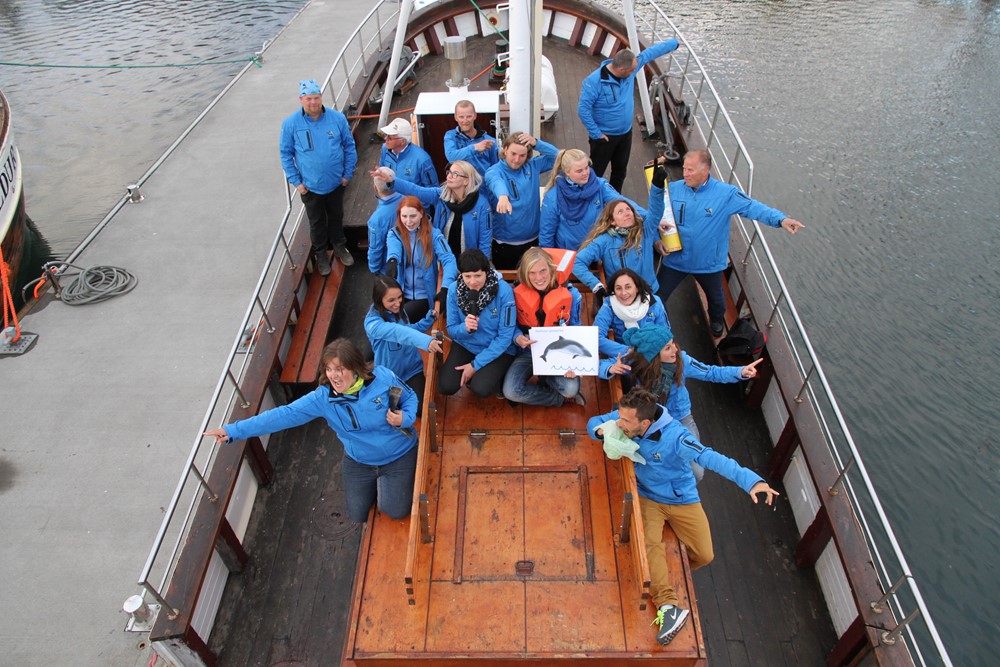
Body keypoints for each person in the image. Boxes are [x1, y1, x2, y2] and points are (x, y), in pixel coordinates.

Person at [587, 387, 779, 646]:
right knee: (649, 545)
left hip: (681, 498)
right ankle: (668, 606)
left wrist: (751, 481)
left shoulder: (677, 436)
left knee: (705, 555)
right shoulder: (629, 416)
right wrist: (602, 431)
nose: (620, 424)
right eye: (619, 418)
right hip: (648, 496)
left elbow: (709, 457)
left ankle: (672, 569)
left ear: (645, 422)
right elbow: (594, 422)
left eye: (625, 421)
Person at [205, 339, 419, 523]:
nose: (334, 376)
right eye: (329, 369)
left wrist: (405, 418)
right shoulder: (323, 399)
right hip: (360, 459)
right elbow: (283, 415)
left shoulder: (382, 378)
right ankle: (380, 486)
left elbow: (409, 397)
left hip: (397, 454)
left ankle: (388, 486)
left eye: (340, 369)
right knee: (356, 514)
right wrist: (233, 430)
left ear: (355, 368)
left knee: (394, 511)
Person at [657, 149, 805, 336]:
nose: (685, 173)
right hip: (676, 259)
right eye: (684, 169)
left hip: (708, 264)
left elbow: (754, 207)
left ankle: (717, 320)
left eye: (690, 170)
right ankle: (658, 326)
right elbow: (657, 216)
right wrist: (656, 240)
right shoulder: (673, 189)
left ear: (706, 170)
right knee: (657, 296)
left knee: (717, 300)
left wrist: (781, 220)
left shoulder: (726, 194)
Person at [616, 324, 763, 482]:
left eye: (673, 343)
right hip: (650, 418)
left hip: (679, 419)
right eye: (667, 348)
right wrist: (611, 368)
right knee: (641, 454)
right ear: (653, 355)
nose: (675, 350)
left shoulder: (682, 361)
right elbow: (608, 359)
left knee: (696, 472)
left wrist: (739, 372)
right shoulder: (637, 364)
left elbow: (710, 372)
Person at [577, 39, 679, 192]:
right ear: (622, 69)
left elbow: (649, 54)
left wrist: (674, 43)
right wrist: (596, 133)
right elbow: (583, 110)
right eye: (632, 70)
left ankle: (614, 200)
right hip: (604, 138)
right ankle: (592, 201)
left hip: (625, 134)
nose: (634, 72)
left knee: (620, 172)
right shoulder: (594, 82)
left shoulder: (630, 68)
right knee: (595, 173)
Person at [279, 79, 357, 275]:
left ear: (321, 98)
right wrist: (297, 183)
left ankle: (339, 247)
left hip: (336, 183)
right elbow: (286, 154)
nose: (313, 102)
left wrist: (347, 174)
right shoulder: (290, 124)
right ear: (301, 100)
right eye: (308, 99)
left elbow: (349, 146)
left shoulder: (337, 119)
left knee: (336, 216)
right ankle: (321, 255)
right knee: (316, 222)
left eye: (316, 98)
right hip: (310, 187)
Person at [502, 247, 585, 407]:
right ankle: (557, 399)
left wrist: (573, 364)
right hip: (527, 352)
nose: (538, 277)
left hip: (559, 353)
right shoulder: (514, 293)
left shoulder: (572, 296)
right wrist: (517, 337)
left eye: (543, 271)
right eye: (532, 273)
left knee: (570, 389)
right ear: (525, 273)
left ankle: (546, 377)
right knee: (511, 391)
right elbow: (509, 326)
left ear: (551, 269)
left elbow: (576, 329)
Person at [572, 161, 667, 295]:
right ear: (612, 221)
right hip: (621, 297)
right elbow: (577, 262)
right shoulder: (604, 241)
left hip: (647, 293)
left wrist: (657, 187)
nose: (627, 213)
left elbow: (656, 212)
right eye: (620, 212)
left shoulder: (645, 230)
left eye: (628, 209)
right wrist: (596, 285)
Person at [372, 160, 492, 260]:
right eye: (449, 172)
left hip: (469, 263)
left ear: (466, 180)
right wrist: (392, 181)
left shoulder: (481, 204)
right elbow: (415, 190)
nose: (449, 176)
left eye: (455, 174)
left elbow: (485, 240)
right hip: (443, 259)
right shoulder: (440, 196)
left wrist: (481, 266)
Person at [439, 248, 517, 397]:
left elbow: (505, 338)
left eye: (478, 275)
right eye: (467, 276)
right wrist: (464, 328)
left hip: (497, 348)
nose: (472, 282)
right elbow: (452, 329)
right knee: (446, 386)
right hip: (466, 344)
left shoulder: (504, 291)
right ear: (461, 275)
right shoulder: (454, 290)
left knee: (481, 388)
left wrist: (475, 365)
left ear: (487, 272)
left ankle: (500, 374)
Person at [539, 148, 647, 251]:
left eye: (587, 168)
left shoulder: (600, 186)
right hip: (571, 254)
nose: (585, 173)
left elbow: (622, 202)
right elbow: (546, 234)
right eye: (579, 171)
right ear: (567, 172)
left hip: (597, 249)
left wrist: (649, 216)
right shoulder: (553, 197)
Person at [364, 275, 444, 412]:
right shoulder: (373, 324)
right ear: (379, 301)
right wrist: (426, 341)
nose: (398, 303)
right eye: (391, 300)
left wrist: (427, 320)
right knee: (385, 412)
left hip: (413, 370)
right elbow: (398, 332)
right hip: (390, 377)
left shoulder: (399, 310)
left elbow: (408, 330)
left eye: (400, 297)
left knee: (419, 409)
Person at [483, 131, 559, 269]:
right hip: (505, 245)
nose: (517, 159)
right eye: (513, 154)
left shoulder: (533, 166)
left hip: (533, 241)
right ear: (505, 150)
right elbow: (496, 182)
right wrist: (503, 196)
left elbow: (558, 157)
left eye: (522, 155)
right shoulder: (493, 171)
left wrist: (536, 143)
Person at [385, 196, 457, 323]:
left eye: (413, 216)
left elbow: (449, 260)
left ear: (421, 213)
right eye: (404, 216)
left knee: (401, 318)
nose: (408, 221)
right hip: (401, 293)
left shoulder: (434, 235)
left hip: (424, 295)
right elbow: (394, 250)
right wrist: (392, 261)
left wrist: (445, 288)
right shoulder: (395, 234)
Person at [593, 268, 670, 361]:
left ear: (637, 288)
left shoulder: (655, 302)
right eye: (618, 288)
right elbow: (595, 337)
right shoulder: (609, 305)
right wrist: (630, 352)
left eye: (628, 287)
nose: (623, 293)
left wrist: (650, 352)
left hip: (653, 354)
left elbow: (665, 334)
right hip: (625, 356)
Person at [443, 99, 499, 177]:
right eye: (461, 117)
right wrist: (475, 147)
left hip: (484, 187)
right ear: (455, 117)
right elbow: (451, 157)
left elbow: (495, 169)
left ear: (475, 116)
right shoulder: (450, 136)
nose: (465, 120)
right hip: (461, 187)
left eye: (469, 116)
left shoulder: (490, 141)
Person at [378, 117, 438, 187]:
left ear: (403, 141)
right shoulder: (385, 149)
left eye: (390, 137)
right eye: (386, 135)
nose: (386, 138)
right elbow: (382, 168)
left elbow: (432, 190)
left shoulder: (423, 160)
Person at [366, 174, 404, 274]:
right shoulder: (409, 199)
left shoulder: (377, 220)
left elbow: (375, 248)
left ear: (375, 187)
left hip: (389, 268)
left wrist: (374, 269)